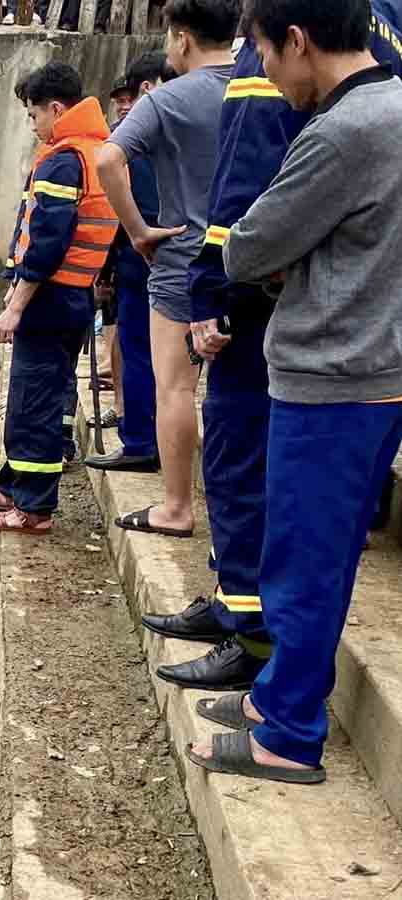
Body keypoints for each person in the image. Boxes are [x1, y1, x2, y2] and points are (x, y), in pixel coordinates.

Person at [145, 0, 402, 694]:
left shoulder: (336, 111)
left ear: (292, 43)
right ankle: (245, 622)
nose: (257, 60)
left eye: (260, 48)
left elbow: (250, 212)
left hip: (315, 350)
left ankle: (265, 669)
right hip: (354, 343)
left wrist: (215, 286)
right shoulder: (374, 57)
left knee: (271, 503)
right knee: (300, 530)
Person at [96, 0, 239, 539]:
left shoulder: (166, 99)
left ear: (182, 38)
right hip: (253, 260)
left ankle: (177, 508)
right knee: (243, 392)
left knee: (176, 389)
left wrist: (137, 230)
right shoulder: (263, 86)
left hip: (182, 260)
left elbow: (108, 159)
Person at [0, 62, 118, 535]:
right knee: (34, 395)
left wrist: (15, 305)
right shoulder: (98, 153)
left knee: (34, 402)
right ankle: (14, 486)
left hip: (51, 298)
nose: (32, 125)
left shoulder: (63, 161)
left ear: (55, 109)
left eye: (34, 115)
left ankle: (33, 508)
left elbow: (47, 245)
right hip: (73, 295)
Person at [87, 52, 172, 472]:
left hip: (143, 251)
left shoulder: (132, 136)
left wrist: (105, 267)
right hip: (190, 248)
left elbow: (114, 209)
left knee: (138, 349)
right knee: (175, 362)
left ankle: (140, 440)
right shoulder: (197, 119)